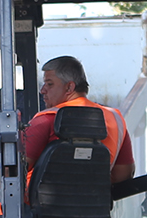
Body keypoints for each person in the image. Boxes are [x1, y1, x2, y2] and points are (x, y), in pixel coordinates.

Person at [20, 55, 135, 186]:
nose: (42, 91)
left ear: (69, 88)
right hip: (94, 203)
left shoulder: (46, 119)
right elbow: (124, 174)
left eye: (49, 84)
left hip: (39, 205)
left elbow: (10, 174)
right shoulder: (116, 119)